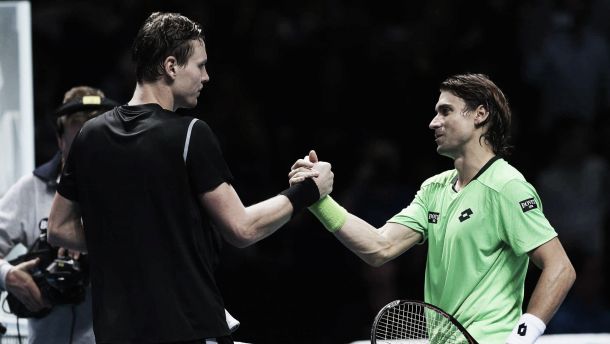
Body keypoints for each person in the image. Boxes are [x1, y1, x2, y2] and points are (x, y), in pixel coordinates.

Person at [47, 12, 333, 344]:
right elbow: (242, 229)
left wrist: (126, 242)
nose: (207, 76)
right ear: (171, 66)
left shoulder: (88, 136)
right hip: (187, 330)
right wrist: (307, 191)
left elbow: (59, 228)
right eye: (200, 65)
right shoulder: (190, 134)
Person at [290, 73, 576, 344]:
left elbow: (560, 267)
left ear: (480, 114)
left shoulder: (507, 186)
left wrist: (522, 337)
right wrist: (317, 200)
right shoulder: (434, 189)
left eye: (446, 111)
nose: (433, 122)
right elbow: (379, 247)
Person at [0, 85, 119, 343]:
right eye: (78, 144)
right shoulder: (31, 189)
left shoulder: (126, 194)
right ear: (60, 140)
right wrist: (8, 277)